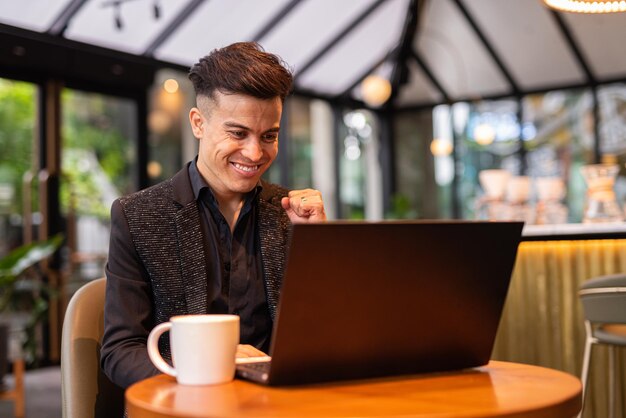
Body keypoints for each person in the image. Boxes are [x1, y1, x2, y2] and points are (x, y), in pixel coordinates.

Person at [101, 41, 326, 389]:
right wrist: (210, 374)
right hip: (185, 406)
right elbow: (120, 351)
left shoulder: (292, 214)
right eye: (238, 133)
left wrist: (317, 249)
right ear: (198, 123)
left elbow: (323, 337)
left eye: (269, 136)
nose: (254, 153)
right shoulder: (138, 216)